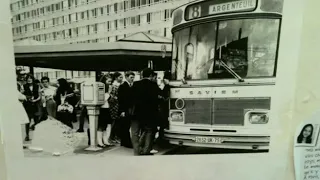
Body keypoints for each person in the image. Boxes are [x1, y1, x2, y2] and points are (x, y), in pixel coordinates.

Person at [131, 68, 160, 155]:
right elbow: (156, 100)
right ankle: (146, 151)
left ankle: (136, 151)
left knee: (135, 133)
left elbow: (131, 98)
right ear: (151, 76)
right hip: (149, 114)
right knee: (149, 131)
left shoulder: (135, 84)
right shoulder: (153, 85)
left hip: (136, 113)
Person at [89, 73, 113, 147]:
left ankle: (105, 140)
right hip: (102, 108)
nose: (110, 83)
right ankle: (100, 141)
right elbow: (103, 100)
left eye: (110, 81)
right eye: (108, 81)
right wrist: (109, 93)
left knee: (106, 125)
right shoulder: (101, 89)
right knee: (101, 125)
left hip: (106, 108)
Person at [118, 71, 135, 148]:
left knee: (126, 125)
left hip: (129, 108)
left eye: (133, 77)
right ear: (127, 77)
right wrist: (122, 111)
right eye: (131, 77)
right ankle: (126, 142)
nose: (132, 79)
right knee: (125, 125)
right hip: (125, 109)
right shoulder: (122, 86)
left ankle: (124, 141)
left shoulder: (131, 86)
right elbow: (121, 100)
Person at [22, 74, 42, 141]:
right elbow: (22, 95)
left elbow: (39, 96)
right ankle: (27, 135)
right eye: (28, 78)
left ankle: (37, 135)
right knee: (28, 121)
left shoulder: (37, 86)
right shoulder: (24, 86)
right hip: (27, 105)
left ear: (33, 79)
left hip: (36, 105)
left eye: (30, 78)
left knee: (37, 120)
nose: (29, 79)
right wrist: (28, 98)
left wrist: (35, 100)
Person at [109, 72, 123, 144]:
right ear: (116, 78)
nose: (121, 79)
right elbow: (112, 96)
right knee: (115, 122)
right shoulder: (115, 85)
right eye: (120, 77)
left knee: (117, 122)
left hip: (116, 105)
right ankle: (112, 137)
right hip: (115, 105)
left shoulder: (117, 85)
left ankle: (114, 136)